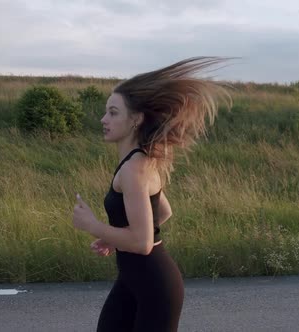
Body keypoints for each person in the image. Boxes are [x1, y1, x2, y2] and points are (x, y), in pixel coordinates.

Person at [72, 56, 232, 332]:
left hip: (155, 288)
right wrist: (114, 239)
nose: (103, 119)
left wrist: (94, 226)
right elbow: (163, 212)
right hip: (134, 281)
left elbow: (143, 242)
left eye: (112, 112)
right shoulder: (139, 162)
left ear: (135, 119)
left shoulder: (135, 169)